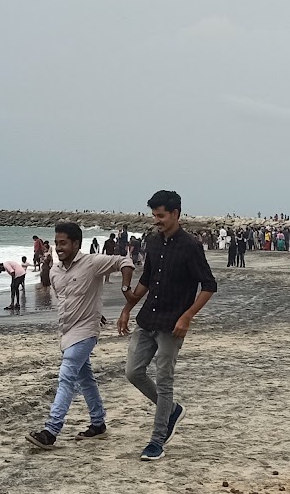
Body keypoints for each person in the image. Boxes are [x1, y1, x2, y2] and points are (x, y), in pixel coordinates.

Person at [119, 190, 217, 462]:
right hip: (148, 319)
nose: (156, 221)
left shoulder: (190, 246)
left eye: (160, 216)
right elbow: (147, 279)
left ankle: (157, 440)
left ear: (175, 214)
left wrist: (187, 317)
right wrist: (127, 307)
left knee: (164, 381)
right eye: (154, 216)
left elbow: (209, 286)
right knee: (133, 372)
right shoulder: (153, 241)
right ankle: (171, 410)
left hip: (172, 325)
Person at [25, 222, 135, 450]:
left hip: (85, 332)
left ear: (76, 243)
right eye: (56, 243)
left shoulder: (92, 263)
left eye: (63, 243)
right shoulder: (55, 271)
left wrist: (126, 290)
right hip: (66, 332)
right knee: (85, 379)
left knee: (66, 376)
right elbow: (68, 300)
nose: (59, 247)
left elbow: (124, 260)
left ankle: (51, 431)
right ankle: (98, 424)